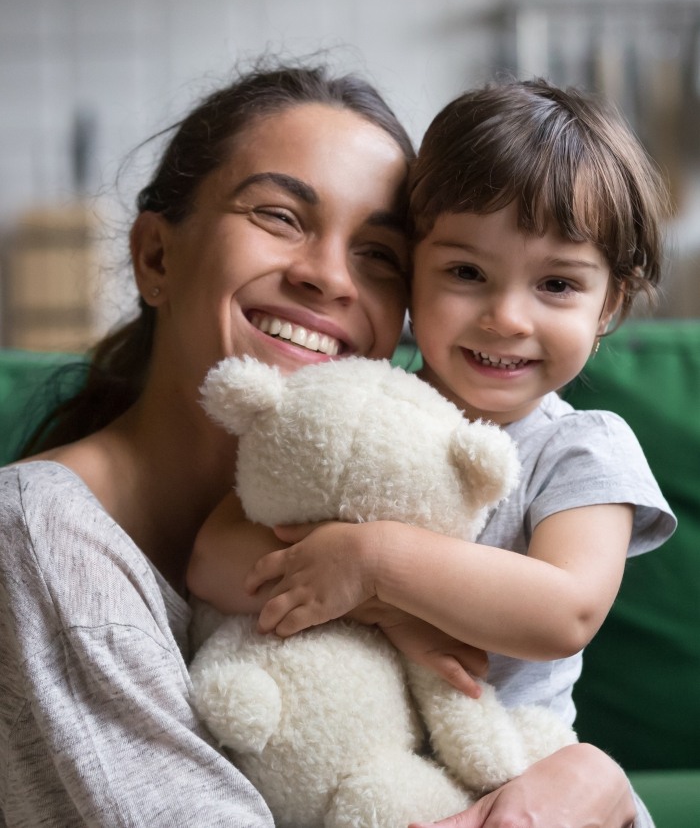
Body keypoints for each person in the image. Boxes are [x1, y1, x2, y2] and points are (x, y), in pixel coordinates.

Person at [0, 61, 650, 828]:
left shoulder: (497, 447)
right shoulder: (43, 537)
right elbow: (227, 561)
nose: (329, 279)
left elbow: (565, 615)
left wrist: (597, 787)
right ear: (155, 257)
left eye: (377, 254)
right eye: (278, 216)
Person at [187, 78, 676, 828]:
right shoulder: (358, 408)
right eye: (466, 273)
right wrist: (388, 615)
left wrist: (377, 565)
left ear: (609, 302)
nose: (507, 317)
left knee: (566, 786)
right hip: (371, 775)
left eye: (556, 284)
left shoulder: (580, 445)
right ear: (412, 270)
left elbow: (564, 609)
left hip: (523, 774)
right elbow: (216, 554)